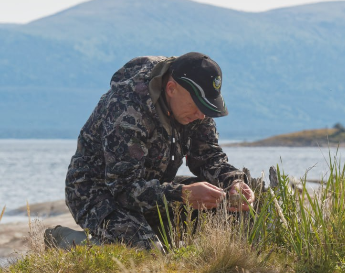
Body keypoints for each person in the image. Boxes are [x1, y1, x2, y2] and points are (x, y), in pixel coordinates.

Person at [60, 52, 254, 250]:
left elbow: (207, 156)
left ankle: (152, 233)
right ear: (171, 88)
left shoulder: (193, 107)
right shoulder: (128, 109)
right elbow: (123, 188)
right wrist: (182, 194)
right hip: (98, 193)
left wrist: (234, 182)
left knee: (233, 208)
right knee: (148, 252)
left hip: (153, 188)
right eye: (197, 105)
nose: (202, 115)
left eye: (207, 108)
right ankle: (69, 242)